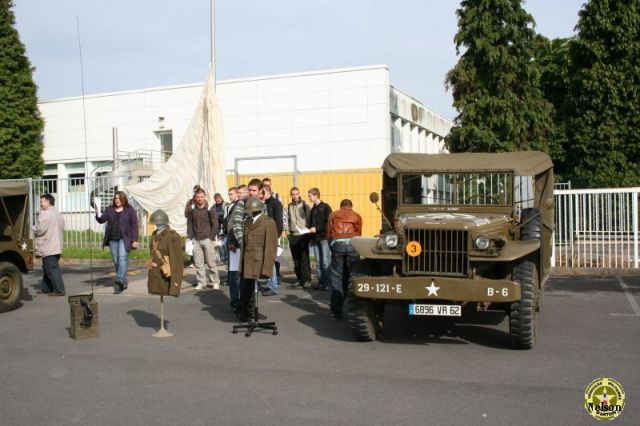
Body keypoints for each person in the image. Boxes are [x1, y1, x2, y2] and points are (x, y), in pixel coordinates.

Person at [236, 198, 278, 322]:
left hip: (259, 262)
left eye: (250, 210)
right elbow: (244, 245)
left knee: (253, 289)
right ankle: (248, 312)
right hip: (247, 262)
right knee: (246, 289)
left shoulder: (268, 223)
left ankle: (251, 312)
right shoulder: (248, 222)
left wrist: (267, 269)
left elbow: (271, 248)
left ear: (257, 210)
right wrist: (241, 264)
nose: (248, 212)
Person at [95, 191, 139, 292]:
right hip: (112, 239)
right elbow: (101, 220)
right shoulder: (109, 209)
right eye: (115, 198)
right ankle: (123, 281)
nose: (117, 200)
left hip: (125, 238)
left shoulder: (129, 210)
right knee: (116, 260)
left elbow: (134, 225)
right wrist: (97, 212)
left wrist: (135, 240)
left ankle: (119, 279)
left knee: (122, 258)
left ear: (123, 199)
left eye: (119, 198)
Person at [327, 199, 362, 319]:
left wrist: (331, 246)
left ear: (340, 206)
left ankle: (336, 311)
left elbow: (328, 233)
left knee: (337, 277)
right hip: (352, 245)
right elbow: (359, 233)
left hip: (337, 245)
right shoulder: (357, 216)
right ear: (351, 206)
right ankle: (356, 308)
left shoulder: (333, 215)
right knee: (353, 276)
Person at [186, 188, 220, 290]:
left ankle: (215, 282)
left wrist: (211, 237)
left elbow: (215, 224)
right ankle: (201, 282)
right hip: (196, 239)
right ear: (195, 198)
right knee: (198, 263)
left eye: (201, 197)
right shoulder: (192, 210)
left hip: (207, 239)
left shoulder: (210, 209)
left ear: (204, 197)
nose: (200, 199)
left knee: (211, 262)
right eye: (198, 197)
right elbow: (190, 223)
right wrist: (190, 236)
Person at [33, 193, 66, 296]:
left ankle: (59, 290)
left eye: (42, 201)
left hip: (48, 245)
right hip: (56, 245)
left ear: (48, 202)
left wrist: (33, 228)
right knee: (47, 267)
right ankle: (46, 288)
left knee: (51, 269)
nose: (41, 204)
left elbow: (40, 230)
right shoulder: (58, 214)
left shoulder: (45, 214)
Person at [147, 209, 184, 297]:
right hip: (155, 275)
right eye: (156, 223)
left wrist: (175, 287)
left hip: (165, 276)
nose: (157, 225)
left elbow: (176, 262)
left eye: (160, 223)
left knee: (163, 288)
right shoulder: (154, 235)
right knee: (157, 290)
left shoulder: (172, 237)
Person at [227, 184, 248, 310]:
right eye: (238, 192)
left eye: (241, 192)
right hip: (235, 245)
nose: (239, 195)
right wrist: (231, 242)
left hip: (245, 244)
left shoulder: (247, 204)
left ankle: (243, 301)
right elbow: (231, 225)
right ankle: (235, 301)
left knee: (244, 276)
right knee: (235, 274)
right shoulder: (235, 206)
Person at [260, 184, 283, 296]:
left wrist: (276, 236)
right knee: (268, 261)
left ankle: (273, 285)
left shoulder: (275, 203)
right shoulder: (265, 203)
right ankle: (270, 283)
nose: (260, 196)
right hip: (266, 235)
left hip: (273, 236)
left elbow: (279, 222)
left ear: (266, 192)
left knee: (271, 260)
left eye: (261, 193)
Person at [286, 187, 311, 289]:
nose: (295, 196)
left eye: (297, 194)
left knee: (304, 258)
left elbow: (309, 219)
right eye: (293, 194)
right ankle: (299, 279)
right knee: (296, 259)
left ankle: (307, 280)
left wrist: (307, 230)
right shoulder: (289, 206)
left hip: (303, 235)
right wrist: (288, 233)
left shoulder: (305, 205)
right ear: (291, 195)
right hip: (293, 235)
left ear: (299, 194)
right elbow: (287, 219)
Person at [308, 187, 332, 290]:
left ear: (316, 196)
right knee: (318, 261)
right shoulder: (313, 208)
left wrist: (316, 229)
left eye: (310, 196)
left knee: (325, 260)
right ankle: (321, 281)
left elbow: (329, 223)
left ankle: (327, 282)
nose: (309, 198)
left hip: (324, 237)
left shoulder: (326, 207)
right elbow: (311, 223)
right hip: (315, 238)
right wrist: (308, 229)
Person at [213, 192, 228, 263]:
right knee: (220, 243)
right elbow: (211, 213)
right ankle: (223, 258)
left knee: (226, 242)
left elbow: (225, 213)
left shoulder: (226, 205)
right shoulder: (214, 206)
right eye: (216, 201)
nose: (217, 202)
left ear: (221, 198)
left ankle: (227, 257)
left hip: (225, 226)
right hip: (219, 227)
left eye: (218, 200)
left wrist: (216, 214)